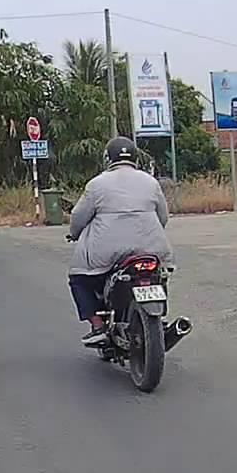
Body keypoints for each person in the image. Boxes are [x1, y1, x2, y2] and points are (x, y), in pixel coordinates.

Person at [67, 136, 175, 345]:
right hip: (151, 248)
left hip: (107, 253)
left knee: (78, 279)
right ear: (135, 158)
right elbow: (163, 217)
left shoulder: (96, 184)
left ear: (108, 159)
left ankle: (97, 325)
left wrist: (75, 233)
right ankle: (159, 318)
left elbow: (78, 218)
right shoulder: (150, 182)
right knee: (158, 275)